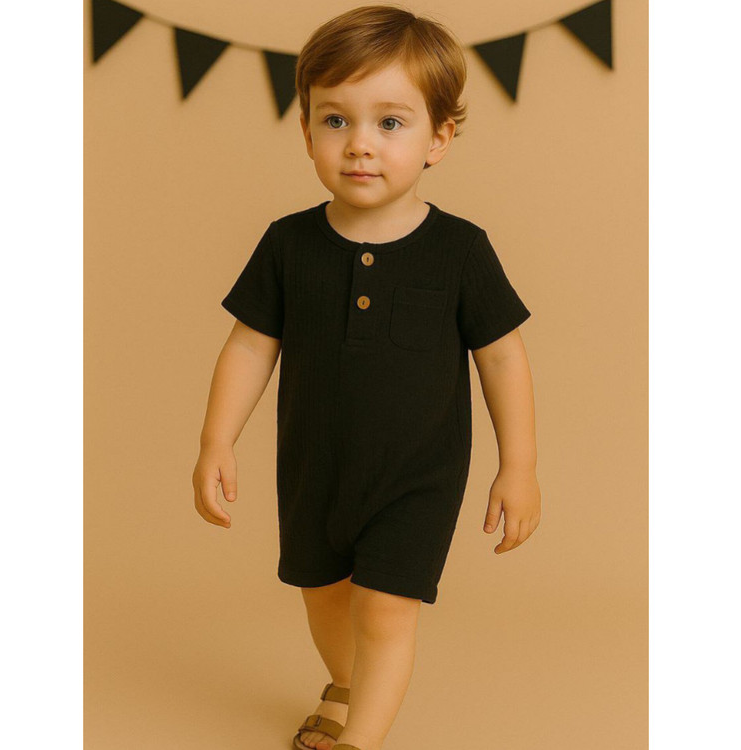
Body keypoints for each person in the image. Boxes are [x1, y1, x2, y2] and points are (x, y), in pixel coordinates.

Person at [192, 6, 541, 750]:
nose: (359, 144)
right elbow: (250, 347)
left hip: (417, 474)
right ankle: (347, 686)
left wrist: (519, 466)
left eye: (389, 122)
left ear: (438, 138)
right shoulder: (288, 243)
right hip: (315, 467)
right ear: (306, 131)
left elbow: (502, 356)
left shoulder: (460, 250)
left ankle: (363, 739)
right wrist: (216, 440)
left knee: (384, 608)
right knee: (324, 598)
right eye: (335, 120)